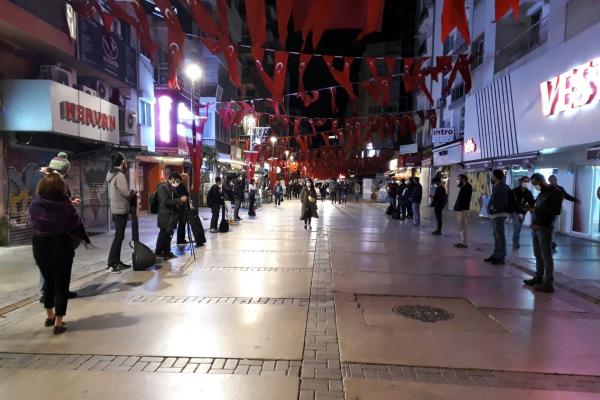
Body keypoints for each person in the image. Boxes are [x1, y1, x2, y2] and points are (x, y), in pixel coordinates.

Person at [29, 173, 91, 335]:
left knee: (48, 280)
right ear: (60, 189)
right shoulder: (65, 206)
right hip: (60, 245)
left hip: (40, 246)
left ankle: (49, 316)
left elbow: (32, 223)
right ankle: (58, 322)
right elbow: (76, 225)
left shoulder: (35, 204)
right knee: (61, 285)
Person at [38, 153, 79, 301]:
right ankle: (46, 293)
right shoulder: (49, 183)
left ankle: (59, 291)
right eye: (64, 173)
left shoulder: (52, 182)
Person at [523, 173, 564, 293]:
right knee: (537, 254)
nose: (535, 186)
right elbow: (538, 206)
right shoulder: (542, 193)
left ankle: (548, 282)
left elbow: (556, 210)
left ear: (540, 181)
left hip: (545, 227)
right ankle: (539, 277)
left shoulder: (555, 192)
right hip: (536, 226)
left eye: (535, 184)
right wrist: (530, 208)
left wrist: (536, 210)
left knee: (546, 255)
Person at [105, 152, 134, 273]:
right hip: (121, 209)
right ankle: (111, 264)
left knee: (119, 236)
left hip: (116, 209)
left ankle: (116, 261)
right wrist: (133, 191)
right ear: (122, 162)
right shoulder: (120, 175)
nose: (126, 163)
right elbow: (126, 193)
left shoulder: (111, 174)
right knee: (118, 237)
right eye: (125, 161)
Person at [155, 172, 187, 258]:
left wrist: (180, 201)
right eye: (176, 181)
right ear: (172, 178)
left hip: (171, 216)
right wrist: (179, 200)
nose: (177, 183)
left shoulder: (171, 188)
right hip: (164, 215)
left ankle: (167, 252)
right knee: (163, 234)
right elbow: (166, 201)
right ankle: (158, 253)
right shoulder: (162, 187)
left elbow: (174, 199)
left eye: (178, 182)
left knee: (168, 234)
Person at [485, 169, 510, 265]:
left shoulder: (503, 186)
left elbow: (504, 201)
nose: (492, 177)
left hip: (499, 214)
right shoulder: (497, 186)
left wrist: (494, 208)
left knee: (500, 235)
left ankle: (501, 257)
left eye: (493, 175)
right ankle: (496, 255)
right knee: (496, 235)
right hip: (495, 214)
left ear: (496, 176)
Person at [548, 175, 579, 250]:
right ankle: (552, 242)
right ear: (549, 181)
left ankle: (551, 241)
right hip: (548, 212)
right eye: (551, 180)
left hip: (556, 211)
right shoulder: (547, 189)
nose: (553, 181)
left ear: (556, 180)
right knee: (550, 227)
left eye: (554, 180)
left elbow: (567, 196)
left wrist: (576, 200)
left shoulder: (560, 189)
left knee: (553, 228)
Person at [511, 176, 535, 249]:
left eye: (527, 181)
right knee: (517, 227)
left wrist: (529, 207)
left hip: (523, 212)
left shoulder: (528, 192)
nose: (526, 182)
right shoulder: (514, 191)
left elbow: (532, 202)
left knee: (518, 228)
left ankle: (516, 242)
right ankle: (515, 243)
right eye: (524, 181)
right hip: (515, 211)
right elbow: (510, 202)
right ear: (520, 182)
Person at [453, 174, 473, 248]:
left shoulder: (468, 187)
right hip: (459, 209)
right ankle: (462, 241)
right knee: (460, 226)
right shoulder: (463, 187)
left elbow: (465, 200)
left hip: (463, 209)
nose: (458, 181)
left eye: (459, 179)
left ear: (464, 179)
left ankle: (464, 243)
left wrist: (460, 207)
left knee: (463, 226)